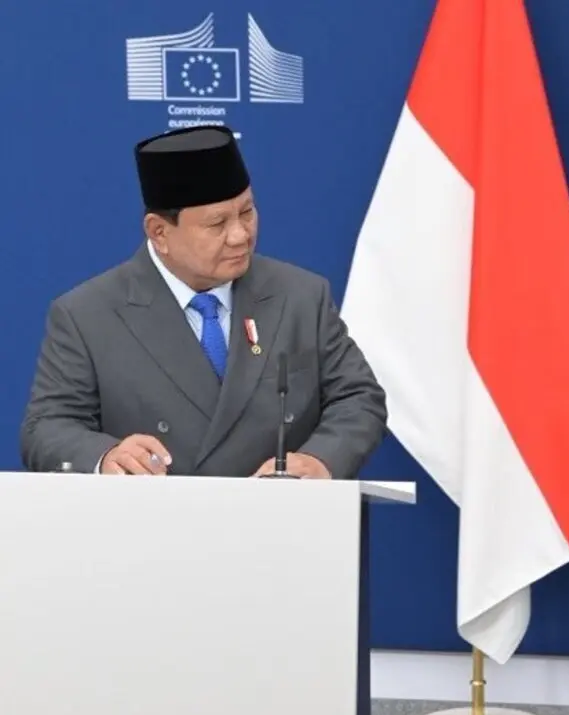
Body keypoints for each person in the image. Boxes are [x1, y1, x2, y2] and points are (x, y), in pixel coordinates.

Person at [20, 125, 388, 479]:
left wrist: (320, 459)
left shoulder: (301, 296)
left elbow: (358, 397)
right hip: (153, 516)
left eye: (247, 212)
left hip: (280, 515)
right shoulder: (88, 315)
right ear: (159, 232)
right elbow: (47, 426)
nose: (240, 235)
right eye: (217, 224)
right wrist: (107, 456)